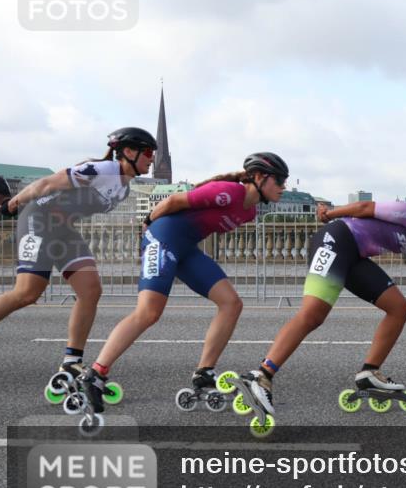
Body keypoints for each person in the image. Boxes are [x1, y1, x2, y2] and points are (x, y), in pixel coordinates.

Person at [229, 179, 406, 418]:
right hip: (335, 241)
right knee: (312, 315)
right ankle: (261, 375)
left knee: (399, 308)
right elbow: (365, 208)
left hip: (353, 255)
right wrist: (329, 214)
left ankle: (370, 372)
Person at [82, 153, 289, 413]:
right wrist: (146, 225)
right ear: (259, 177)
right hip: (163, 238)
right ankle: (96, 373)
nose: (283, 186)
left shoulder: (249, 212)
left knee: (231, 303)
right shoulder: (229, 192)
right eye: (279, 180)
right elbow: (173, 201)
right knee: (149, 312)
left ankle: (204, 371)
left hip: (186, 248)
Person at [0, 128, 156, 390]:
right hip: (38, 220)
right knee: (27, 293)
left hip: (63, 230)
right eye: (147, 152)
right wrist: (13, 203)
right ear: (129, 152)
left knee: (90, 290)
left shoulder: (123, 189)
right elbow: (47, 184)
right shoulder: (101, 170)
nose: (152, 158)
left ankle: (71, 360)